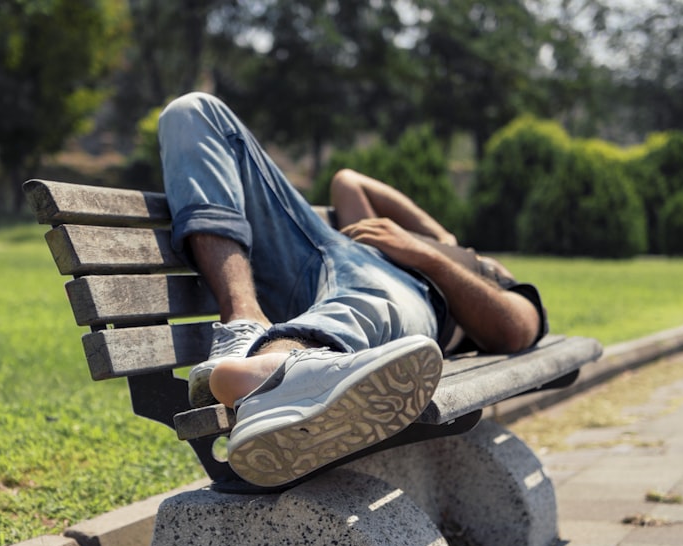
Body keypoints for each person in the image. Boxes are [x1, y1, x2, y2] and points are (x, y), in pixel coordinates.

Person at [158, 92, 547, 487]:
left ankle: (273, 369)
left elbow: (517, 329)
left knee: (371, 300)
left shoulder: (476, 277)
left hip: (406, 292)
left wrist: (429, 257)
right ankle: (245, 327)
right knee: (193, 112)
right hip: (325, 252)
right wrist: (438, 236)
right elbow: (349, 182)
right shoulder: (431, 243)